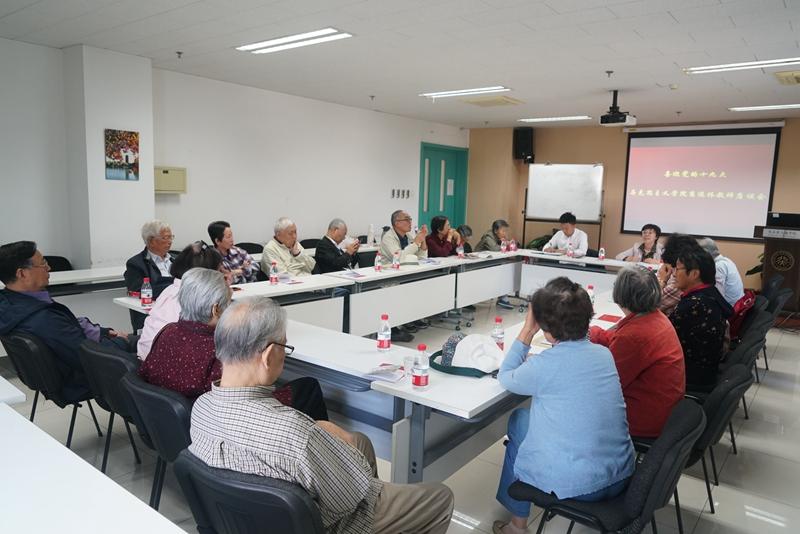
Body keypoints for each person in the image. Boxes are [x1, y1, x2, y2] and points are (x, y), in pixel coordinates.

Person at [189, 297, 454, 534]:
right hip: (325, 523)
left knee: (360, 441)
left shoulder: (200, 408)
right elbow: (350, 495)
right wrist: (332, 438)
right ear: (269, 356)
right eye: (284, 346)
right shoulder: (293, 431)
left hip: (250, 519)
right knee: (440, 497)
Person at [494, 278, 634, 534]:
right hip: (621, 474)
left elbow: (505, 377)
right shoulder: (604, 354)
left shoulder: (545, 364)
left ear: (546, 327)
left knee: (518, 421)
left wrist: (527, 331)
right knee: (526, 419)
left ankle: (517, 525)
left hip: (583, 486)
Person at [141, 269, 329, 419]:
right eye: (229, 301)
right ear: (216, 310)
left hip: (168, 420)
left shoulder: (167, 331)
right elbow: (240, 395)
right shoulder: (218, 346)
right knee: (308, 387)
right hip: (217, 419)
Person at [0, 241, 131, 399]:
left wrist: (102, 332)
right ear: (22, 274)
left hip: (56, 375)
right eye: (43, 263)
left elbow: (68, 330)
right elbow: (88, 357)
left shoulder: (10, 303)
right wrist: (123, 343)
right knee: (145, 349)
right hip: (78, 380)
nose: (49, 268)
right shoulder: (43, 319)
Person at [589, 266, 685, 438]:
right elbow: (619, 340)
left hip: (645, 418)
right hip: (666, 408)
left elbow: (605, 385)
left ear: (620, 295)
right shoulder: (655, 317)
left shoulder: (634, 336)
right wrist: (594, 333)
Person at [137, 242, 224, 359]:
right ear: (205, 274)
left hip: (147, 356)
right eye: (218, 272)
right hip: (167, 361)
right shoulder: (194, 298)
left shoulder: (170, 289)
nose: (220, 277)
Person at [669, 243, 733, 391]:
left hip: (690, 375)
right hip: (706, 369)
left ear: (694, 274)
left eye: (677, 269)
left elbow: (663, 339)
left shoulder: (694, 304)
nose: (673, 274)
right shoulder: (710, 293)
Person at [124, 220, 176, 331]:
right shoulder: (136, 264)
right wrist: (175, 285)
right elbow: (139, 291)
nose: (170, 241)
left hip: (178, 311)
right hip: (154, 315)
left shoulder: (176, 259)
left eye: (171, 237)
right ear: (151, 241)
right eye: (165, 238)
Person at [475, 220, 515, 310]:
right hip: (478, 263)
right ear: (496, 231)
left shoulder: (499, 237)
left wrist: (507, 242)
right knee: (502, 272)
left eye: (506, 231)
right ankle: (502, 298)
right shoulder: (488, 237)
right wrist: (505, 243)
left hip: (490, 262)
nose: (505, 233)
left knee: (505, 270)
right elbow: (495, 249)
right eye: (503, 231)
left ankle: (503, 298)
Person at [656, 233, 698, 317]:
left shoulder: (678, 284)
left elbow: (647, 306)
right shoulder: (694, 269)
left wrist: (662, 280)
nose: (675, 274)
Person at [208, 220, 258, 284]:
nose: (232, 239)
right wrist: (243, 270)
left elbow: (256, 266)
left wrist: (239, 271)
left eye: (231, 235)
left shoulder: (237, 250)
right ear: (217, 241)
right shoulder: (213, 260)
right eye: (228, 237)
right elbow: (225, 282)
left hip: (252, 286)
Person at [698, 237, 745, 306]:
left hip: (731, 308)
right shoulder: (727, 260)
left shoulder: (718, 267)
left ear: (706, 253)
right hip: (739, 303)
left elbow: (718, 295)